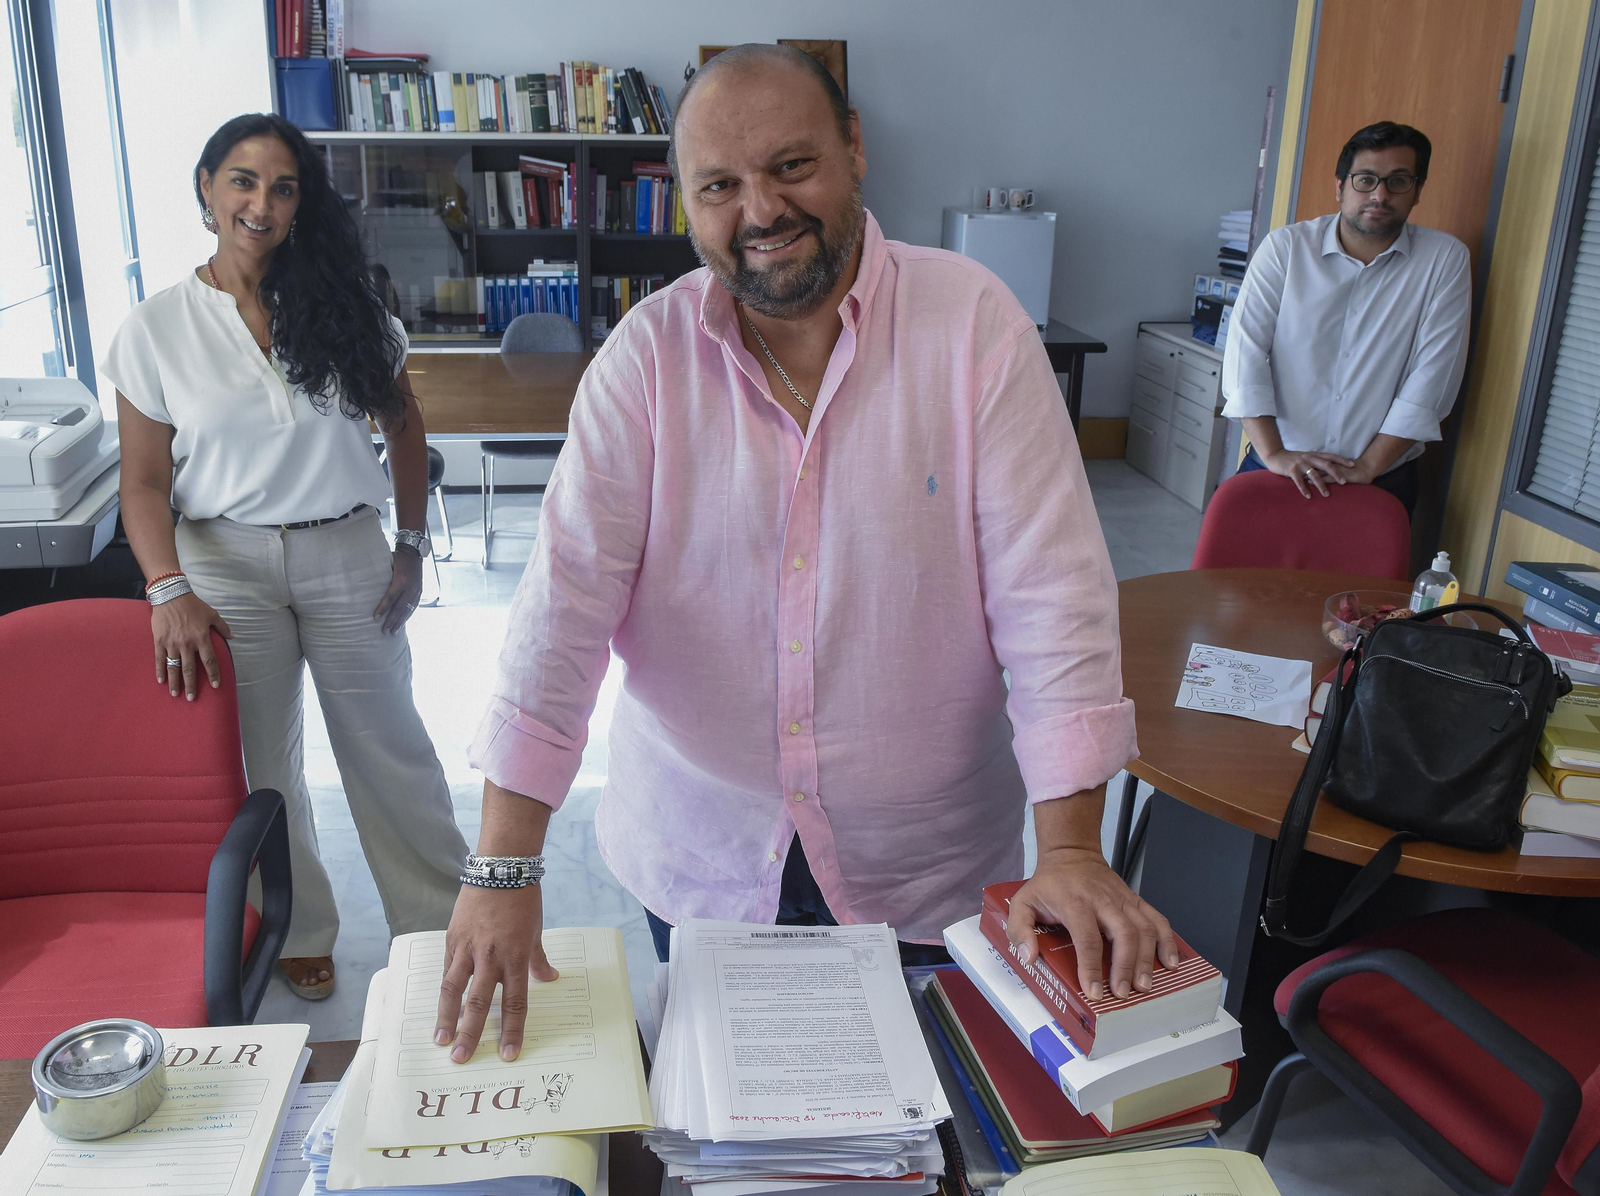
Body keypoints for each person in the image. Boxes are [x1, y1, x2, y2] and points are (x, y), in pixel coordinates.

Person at [434, 44, 1178, 1064]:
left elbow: (1053, 600)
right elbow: (560, 613)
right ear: (685, 200)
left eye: (791, 166)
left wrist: (1072, 849)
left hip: (922, 866)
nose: (762, 211)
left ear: (853, 148)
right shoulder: (644, 360)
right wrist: (503, 867)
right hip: (702, 850)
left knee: (921, 1108)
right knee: (727, 1105)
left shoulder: (974, 328)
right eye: (720, 186)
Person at [104, 113, 470, 1001]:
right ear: (206, 187)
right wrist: (167, 588)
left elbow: (404, 425)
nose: (260, 204)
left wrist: (411, 545)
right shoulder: (155, 328)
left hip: (346, 551)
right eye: (242, 181)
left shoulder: (346, 305)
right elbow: (143, 483)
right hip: (223, 563)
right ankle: (297, 926)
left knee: (391, 748)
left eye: (282, 186)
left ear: (302, 203)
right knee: (259, 762)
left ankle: (442, 926)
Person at [1221, 121, 1471, 517]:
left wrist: (1370, 466)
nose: (1380, 195)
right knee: (1239, 560)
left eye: (1398, 181)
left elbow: (1434, 376)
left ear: (1418, 190)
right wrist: (1274, 454)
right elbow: (1245, 355)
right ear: (1340, 186)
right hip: (1279, 466)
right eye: (1365, 179)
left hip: (1383, 478)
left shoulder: (1444, 260)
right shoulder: (1286, 248)